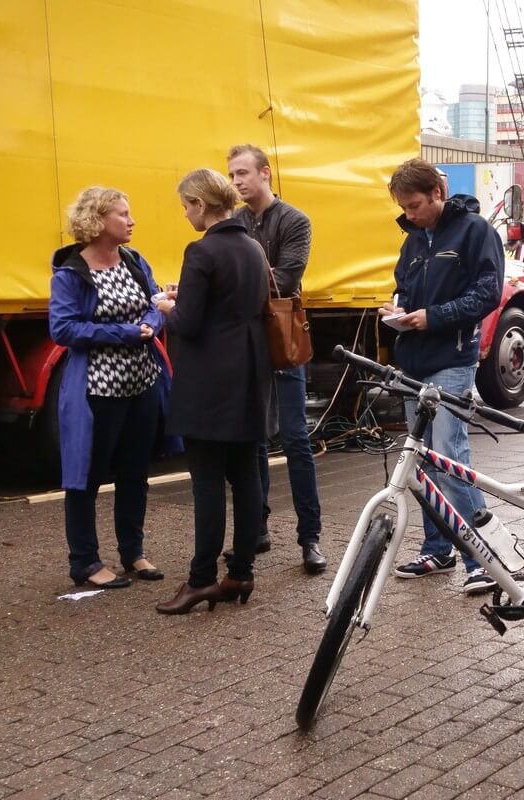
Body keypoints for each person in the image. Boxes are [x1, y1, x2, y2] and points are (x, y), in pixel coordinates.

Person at [381, 159, 504, 595]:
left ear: (437, 192)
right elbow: (404, 287)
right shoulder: (414, 239)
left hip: (451, 360)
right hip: (414, 361)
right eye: (403, 208)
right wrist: (397, 311)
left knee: (449, 454)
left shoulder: (475, 231)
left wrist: (432, 317)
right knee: (426, 461)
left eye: (414, 205)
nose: (409, 215)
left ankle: (484, 558)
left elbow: (488, 293)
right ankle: (439, 549)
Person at [155, 169, 271, 614]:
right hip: (248, 373)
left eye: (186, 206)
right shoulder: (252, 247)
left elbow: (188, 322)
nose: (186, 214)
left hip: (208, 380)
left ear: (201, 205)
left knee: (206, 483)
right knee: (244, 476)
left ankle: (201, 579)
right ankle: (240, 573)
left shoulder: (201, 249)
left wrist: (168, 306)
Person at [49, 186, 169, 589]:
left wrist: (155, 321)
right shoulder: (70, 273)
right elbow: (63, 328)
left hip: (142, 383)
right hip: (98, 389)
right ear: (98, 222)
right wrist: (125, 332)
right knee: (89, 474)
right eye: (123, 214)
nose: (131, 220)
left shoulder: (134, 261)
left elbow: (156, 302)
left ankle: (132, 553)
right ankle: (84, 561)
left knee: (135, 472)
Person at [227, 144, 325, 574]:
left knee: (296, 438)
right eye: (232, 175)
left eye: (244, 173)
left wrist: (241, 277)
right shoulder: (236, 221)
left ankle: (311, 538)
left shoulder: (295, 220)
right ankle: (257, 530)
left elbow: (287, 277)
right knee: (253, 440)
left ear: (266, 173)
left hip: (282, 337)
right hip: (248, 340)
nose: (237, 182)